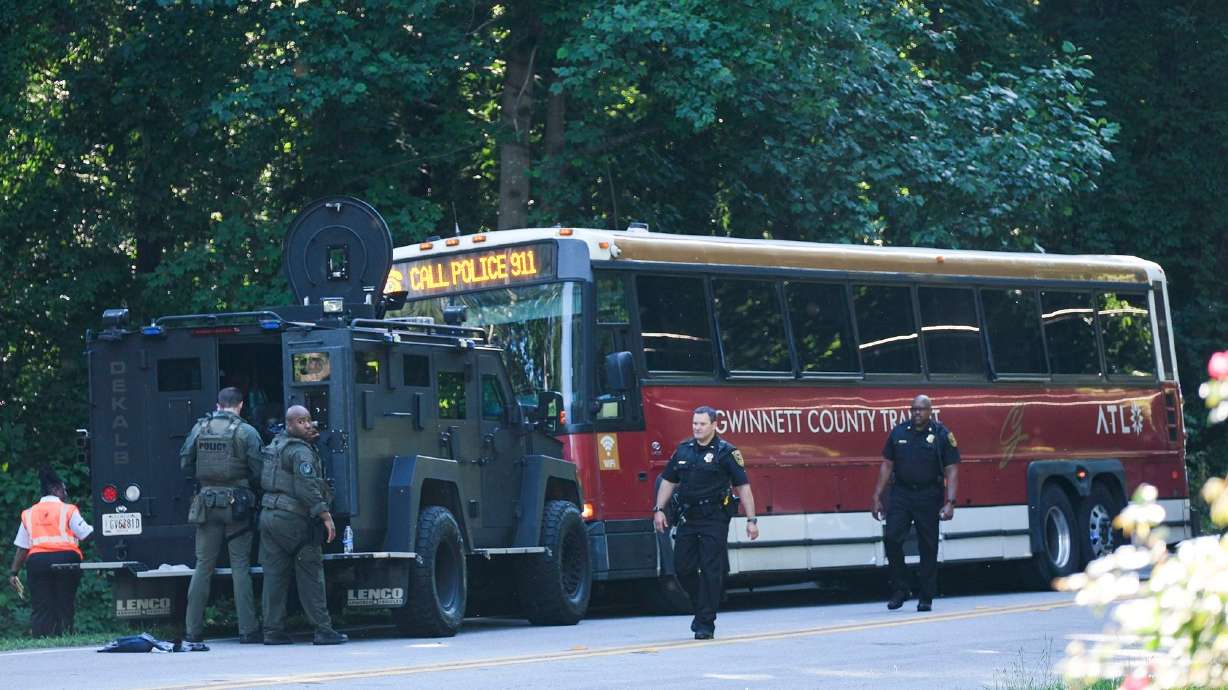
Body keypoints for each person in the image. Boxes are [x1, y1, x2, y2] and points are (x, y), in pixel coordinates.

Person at [653, 406, 759, 640]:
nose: (697, 428)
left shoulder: (726, 452)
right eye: (695, 424)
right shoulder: (683, 450)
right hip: (688, 517)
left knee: (711, 570)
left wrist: (751, 520)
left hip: (714, 518)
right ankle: (702, 607)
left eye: (702, 424)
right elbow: (668, 481)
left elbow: (743, 487)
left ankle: (705, 623)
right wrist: (659, 509)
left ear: (714, 425)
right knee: (682, 568)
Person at [180, 386, 264, 650]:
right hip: (237, 506)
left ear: (218, 405)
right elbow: (259, 470)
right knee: (240, 566)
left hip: (206, 503)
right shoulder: (247, 431)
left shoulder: (200, 428)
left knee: (203, 566)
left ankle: (192, 631)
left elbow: (185, 462)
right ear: (240, 405)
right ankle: (248, 630)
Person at [258, 405, 347, 645]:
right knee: (311, 573)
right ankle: (323, 629)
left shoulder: (275, 445)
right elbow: (306, 486)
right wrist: (325, 516)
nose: (307, 425)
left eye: (308, 420)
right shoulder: (300, 452)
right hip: (293, 519)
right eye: (301, 422)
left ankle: (272, 631)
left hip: (269, 516)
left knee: (274, 576)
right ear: (289, 424)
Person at [871, 394, 960, 612]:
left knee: (928, 546)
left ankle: (926, 596)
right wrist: (877, 496)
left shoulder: (941, 434)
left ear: (930, 411)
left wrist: (950, 502)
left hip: (928, 495)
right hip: (901, 494)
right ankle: (901, 589)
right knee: (892, 538)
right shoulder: (899, 432)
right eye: (913, 409)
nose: (916, 413)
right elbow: (887, 465)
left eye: (921, 409)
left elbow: (952, 469)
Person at [9, 466, 93, 636]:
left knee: (41, 604)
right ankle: (65, 634)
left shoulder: (29, 513)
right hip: (66, 560)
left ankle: (41, 636)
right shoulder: (68, 510)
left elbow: (22, 548)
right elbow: (86, 534)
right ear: (55, 489)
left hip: (37, 562)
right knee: (65, 600)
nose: (66, 493)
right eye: (63, 489)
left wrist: (13, 572)